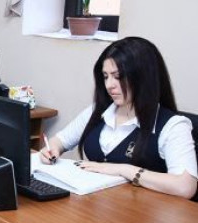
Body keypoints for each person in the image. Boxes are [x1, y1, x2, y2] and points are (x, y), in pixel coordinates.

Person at [40, 36, 197, 199]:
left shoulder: (173, 126)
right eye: (106, 76)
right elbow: (59, 141)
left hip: (143, 212)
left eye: (118, 76)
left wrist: (124, 170)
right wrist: (52, 149)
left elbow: (185, 186)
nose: (109, 85)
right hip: (95, 205)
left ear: (143, 77)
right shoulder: (98, 111)